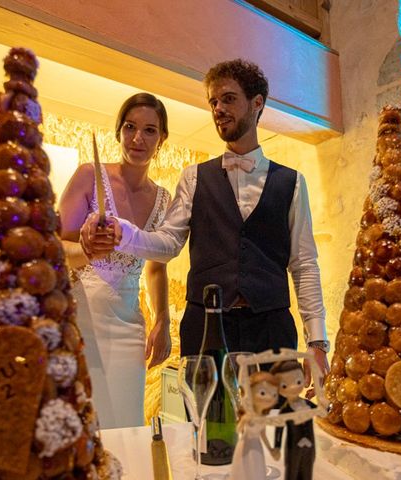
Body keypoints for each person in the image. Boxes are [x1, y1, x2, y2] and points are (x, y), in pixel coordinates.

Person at [81, 59, 330, 386]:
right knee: (207, 432)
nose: (218, 109)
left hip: (271, 329)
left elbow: (304, 264)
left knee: (271, 431)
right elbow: (168, 244)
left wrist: (317, 341)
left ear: (257, 104)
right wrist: (123, 233)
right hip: (205, 329)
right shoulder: (194, 177)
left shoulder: (292, 183)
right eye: (213, 101)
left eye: (228, 99)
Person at [59, 92, 172, 428]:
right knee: (80, 423)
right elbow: (55, 249)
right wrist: (88, 251)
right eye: (130, 127)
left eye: (150, 130)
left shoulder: (164, 199)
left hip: (128, 326)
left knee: (125, 426)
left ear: (161, 139)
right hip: (81, 320)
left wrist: (163, 320)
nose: (138, 138)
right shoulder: (88, 176)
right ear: (119, 131)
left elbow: (156, 267)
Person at [271, 360, 316, 480]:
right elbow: (279, 430)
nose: (293, 387)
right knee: (292, 473)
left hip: (310, 447)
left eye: (298, 381)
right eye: (285, 385)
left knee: (307, 473)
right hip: (293, 449)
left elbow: (323, 411)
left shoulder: (308, 404)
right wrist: (277, 446)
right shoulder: (285, 410)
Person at [230, 371, 279, 480]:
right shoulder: (248, 416)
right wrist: (244, 420)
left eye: (274, 394)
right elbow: (238, 430)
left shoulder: (263, 418)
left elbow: (263, 435)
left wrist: (270, 449)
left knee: (256, 469)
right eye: (262, 393)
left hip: (257, 446)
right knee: (244, 470)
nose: (269, 398)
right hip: (245, 446)